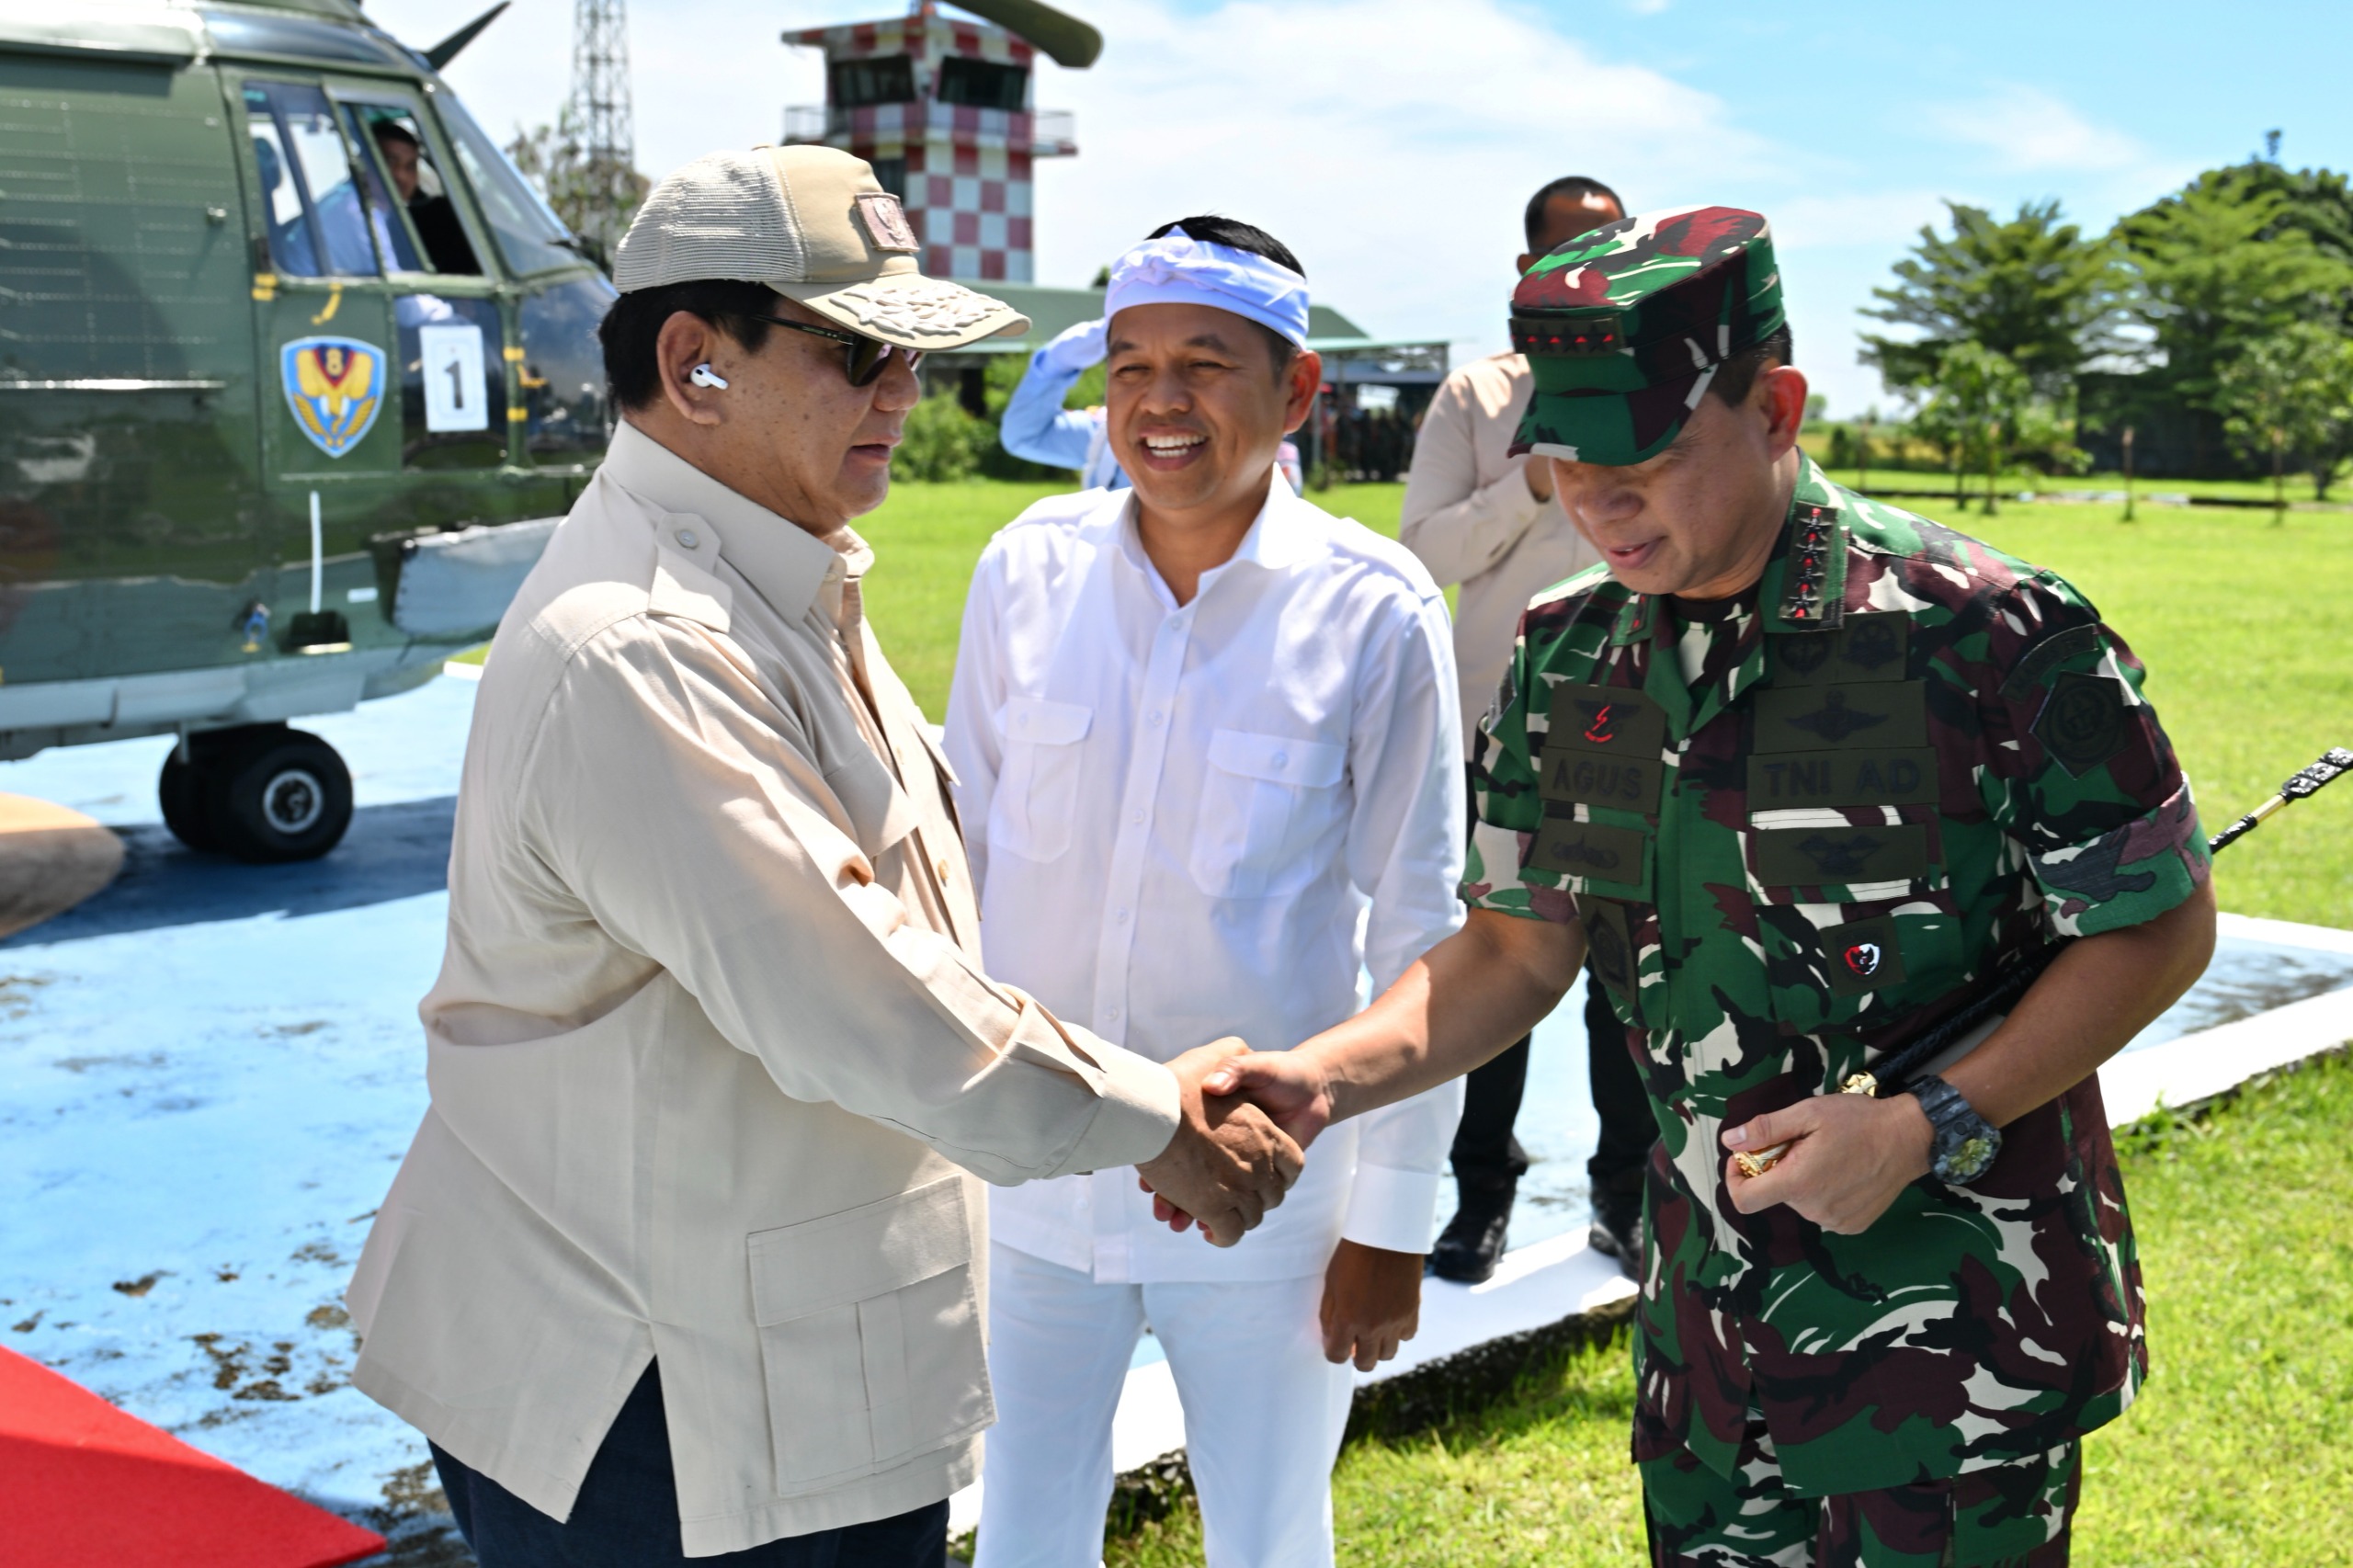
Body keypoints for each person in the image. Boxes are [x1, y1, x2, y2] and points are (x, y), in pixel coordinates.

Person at [1208, 207, 2218, 1566]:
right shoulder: (1567, 663)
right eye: (1565, 459)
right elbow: (1514, 951)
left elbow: (2157, 925)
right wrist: (1325, 1075)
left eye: (1649, 455)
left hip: (1957, 1356)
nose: (1595, 502)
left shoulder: (1987, 633)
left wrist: (1926, 1121)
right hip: (1711, 1359)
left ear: (1777, 407)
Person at [342, 146, 1303, 1568]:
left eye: (910, 357)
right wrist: (1159, 1113)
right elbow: (864, 996)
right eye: (861, 352)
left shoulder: (776, 577)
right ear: (693, 360)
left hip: (764, 1366)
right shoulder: (646, 640)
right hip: (659, 1399)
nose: (904, 395)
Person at [947, 218, 1465, 1568]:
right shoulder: (1024, 573)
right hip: (1035, 1178)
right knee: (1024, 1529)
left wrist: (1391, 1223)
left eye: (1204, 363)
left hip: (1267, 1191)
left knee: (1270, 1536)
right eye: (1128, 363)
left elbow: (1424, 926)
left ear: (1297, 391)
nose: (1159, 401)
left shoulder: (1376, 608)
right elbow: (970, 868)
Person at [1400, 173, 1650, 1284]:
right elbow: (1426, 555)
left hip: (1641, 726)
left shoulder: (1659, 382)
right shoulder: (1474, 397)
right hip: (1496, 732)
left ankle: (1627, 1194)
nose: (1595, 267)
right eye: (1573, 248)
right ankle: (1480, 1195)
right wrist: (1533, 485)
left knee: (1627, 978)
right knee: (1496, 962)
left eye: (1616, 245)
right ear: (1525, 269)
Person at [1001, 314, 1307, 496]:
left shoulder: (1270, 456)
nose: (1161, 402)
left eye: (1203, 365)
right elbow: (1025, 436)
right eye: (1134, 366)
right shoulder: (1107, 435)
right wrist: (1055, 364)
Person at [371, 118, 481, 275]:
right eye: (390, 162)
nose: (401, 176)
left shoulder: (425, 220)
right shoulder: (357, 219)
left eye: (410, 167)